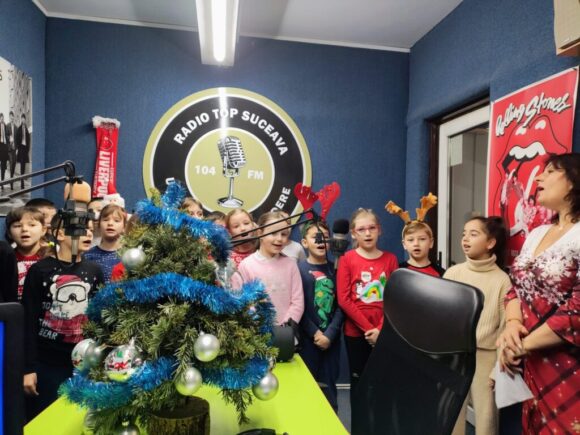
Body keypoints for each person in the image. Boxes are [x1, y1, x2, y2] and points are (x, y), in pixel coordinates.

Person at [497, 153, 580, 434]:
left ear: (574, 180)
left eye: (551, 171)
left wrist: (520, 346)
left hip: (569, 366)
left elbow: (577, 311)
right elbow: (515, 289)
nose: (539, 178)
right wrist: (512, 324)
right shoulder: (536, 233)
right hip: (531, 362)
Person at [22, 214, 103, 421]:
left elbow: (99, 317)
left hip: (84, 363)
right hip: (46, 363)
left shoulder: (94, 271)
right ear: (59, 234)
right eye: (81, 230)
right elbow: (28, 321)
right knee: (46, 419)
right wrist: (28, 368)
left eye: (90, 229)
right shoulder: (40, 270)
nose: (88, 234)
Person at [444, 216, 511, 435]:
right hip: (454, 355)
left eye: (473, 234)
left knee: (486, 418)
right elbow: (440, 317)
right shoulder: (453, 273)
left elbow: (505, 328)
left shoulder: (502, 280)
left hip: (486, 358)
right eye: (464, 234)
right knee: (451, 414)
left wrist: (498, 369)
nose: (465, 239)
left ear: (490, 243)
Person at [336, 208, 398, 402]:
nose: (368, 233)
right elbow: (344, 299)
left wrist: (380, 329)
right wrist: (368, 329)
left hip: (384, 331)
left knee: (383, 383)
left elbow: (395, 298)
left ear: (379, 230)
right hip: (356, 333)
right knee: (359, 383)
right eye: (361, 229)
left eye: (372, 228)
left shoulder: (390, 259)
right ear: (353, 234)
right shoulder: (347, 259)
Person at [298, 220, 344, 412]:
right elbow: (298, 306)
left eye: (325, 237)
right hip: (307, 340)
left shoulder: (337, 269)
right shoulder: (298, 269)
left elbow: (342, 305)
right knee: (307, 389)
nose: (321, 241)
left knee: (329, 389)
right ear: (304, 242)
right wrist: (315, 333)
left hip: (331, 341)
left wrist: (329, 334)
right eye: (315, 237)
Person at [237, 210, 304, 325]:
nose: (279, 238)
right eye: (273, 233)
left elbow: (297, 301)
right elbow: (243, 300)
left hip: (286, 332)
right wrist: (259, 323)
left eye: (284, 234)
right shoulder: (246, 265)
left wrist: (286, 326)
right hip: (257, 331)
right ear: (260, 233)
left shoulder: (291, 265)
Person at [386, 193, 444, 277]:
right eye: (410, 240)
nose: (416, 244)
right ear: (404, 244)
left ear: (431, 242)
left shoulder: (441, 274)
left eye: (422, 239)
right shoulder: (398, 272)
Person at [5, 206, 47, 301]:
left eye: (32, 225)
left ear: (43, 230)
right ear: (9, 233)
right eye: (17, 226)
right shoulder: (5, 259)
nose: (24, 229)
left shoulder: (53, 256)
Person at [83, 204, 126, 283]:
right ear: (99, 224)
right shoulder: (88, 255)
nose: (110, 223)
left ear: (124, 227)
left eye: (116, 220)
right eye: (105, 220)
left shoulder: (129, 255)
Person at [15, 113, 31, 190]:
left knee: (24, 166)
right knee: (21, 166)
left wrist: (28, 149)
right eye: (22, 118)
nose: (23, 120)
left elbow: (29, 139)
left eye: (24, 118)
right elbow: (16, 139)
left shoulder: (27, 129)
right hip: (21, 148)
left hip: (25, 149)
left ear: (25, 120)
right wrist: (18, 148)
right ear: (21, 119)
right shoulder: (19, 129)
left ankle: (23, 181)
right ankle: (22, 183)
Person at [6, 111, 18, 189]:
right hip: (10, 149)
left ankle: (12, 177)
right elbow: (6, 135)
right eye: (10, 117)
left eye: (12, 116)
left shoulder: (16, 127)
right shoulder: (7, 126)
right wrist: (9, 138)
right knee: (11, 163)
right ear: (9, 117)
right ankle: (11, 183)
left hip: (15, 149)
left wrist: (17, 149)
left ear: (13, 117)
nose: (11, 118)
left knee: (14, 164)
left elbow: (17, 139)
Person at [0, 113, 9, 188]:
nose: (2, 119)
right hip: (0, 146)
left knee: (3, 166)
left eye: (3, 118)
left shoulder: (6, 126)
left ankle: (2, 181)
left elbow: (8, 136)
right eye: (1, 118)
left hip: (4, 147)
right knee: (2, 165)